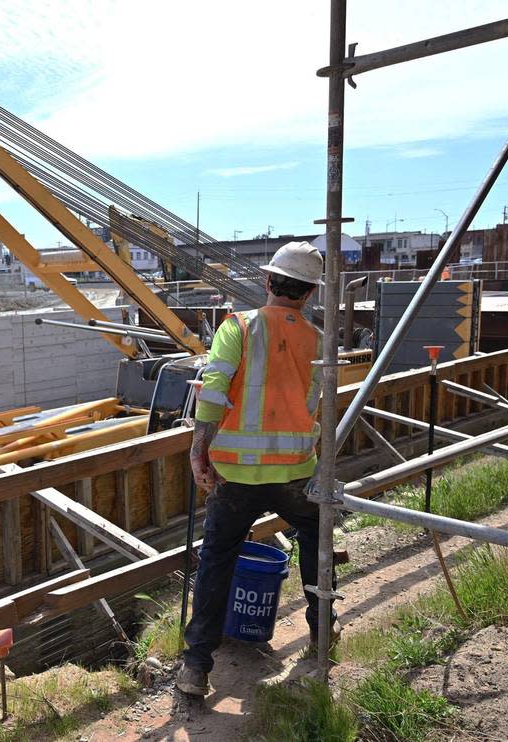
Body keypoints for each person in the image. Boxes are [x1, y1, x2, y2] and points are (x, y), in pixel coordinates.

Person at [176, 241, 336, 698]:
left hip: (237, 476)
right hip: (295, 473)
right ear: (309, 294)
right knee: (316, 542)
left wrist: (197, 453)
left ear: (268, 282)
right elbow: (319, 407)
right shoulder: (319, 340)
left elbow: (212, 393)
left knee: (217, 560)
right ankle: (322, 634)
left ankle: (196, 666)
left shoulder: (239, 328)